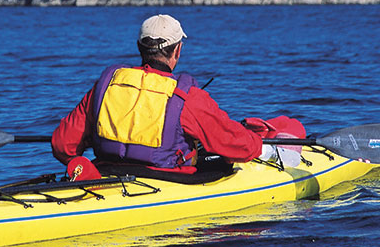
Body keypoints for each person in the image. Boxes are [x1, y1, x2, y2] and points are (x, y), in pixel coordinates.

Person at [51, 14, 304, 177]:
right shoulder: (187, 98)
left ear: (140, 48)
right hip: (166, 180)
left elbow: (63, 145)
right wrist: (262, 148)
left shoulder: (105, 87)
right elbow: (232, 144)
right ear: (178, 51)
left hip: (106, 174)